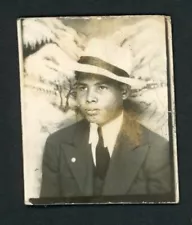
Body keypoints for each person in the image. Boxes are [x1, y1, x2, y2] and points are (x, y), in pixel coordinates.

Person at [39, 38, 174, 203]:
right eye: (82, 88)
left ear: (124, 92)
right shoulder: (57, 144)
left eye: (101, 88)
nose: (89, 98)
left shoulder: (156, 149)